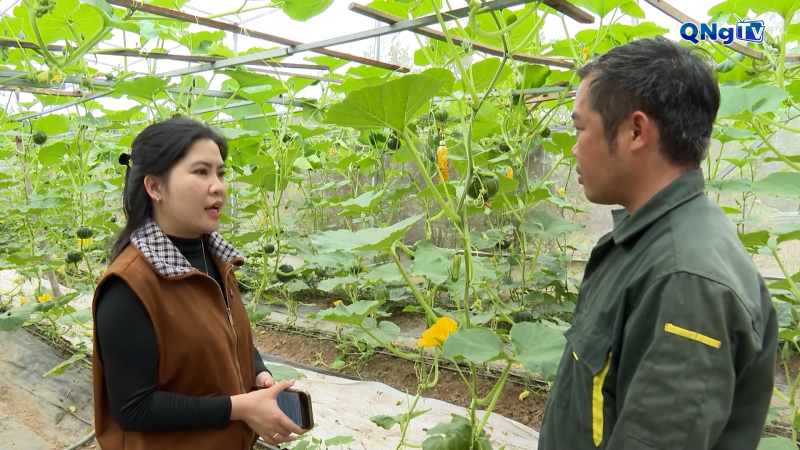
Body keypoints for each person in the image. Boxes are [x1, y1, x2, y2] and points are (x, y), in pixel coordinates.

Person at [537, 37, 778, 450]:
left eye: (579, 128)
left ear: (635, 131)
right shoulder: (650, 242)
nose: (574, 148)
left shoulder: (686, 280)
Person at [91, 116, 306, 450]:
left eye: (220, 172)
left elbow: (225, 334)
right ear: (155, 187)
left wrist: (257, 373)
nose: (218, 185)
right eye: (201, 172)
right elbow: (134, 408)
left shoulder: (215, 261)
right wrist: (239, 408)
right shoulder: (128, 285)